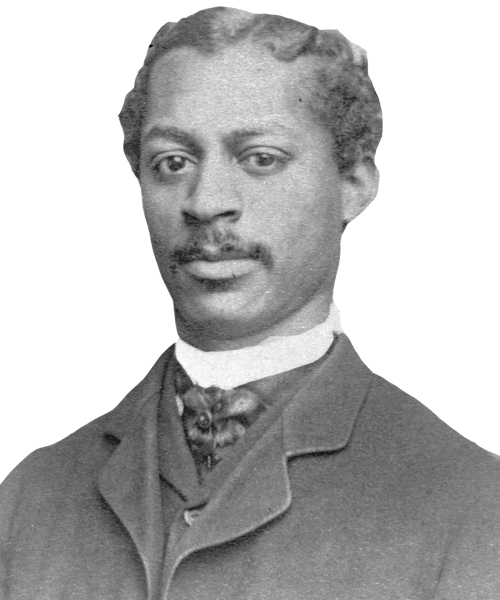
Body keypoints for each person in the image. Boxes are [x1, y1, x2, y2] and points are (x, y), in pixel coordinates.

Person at [1, 8, 499, 600]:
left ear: (355, 185)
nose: (206, 201)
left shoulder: (468, 501)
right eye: (173, 162)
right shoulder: (29, 495)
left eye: (261, 158)